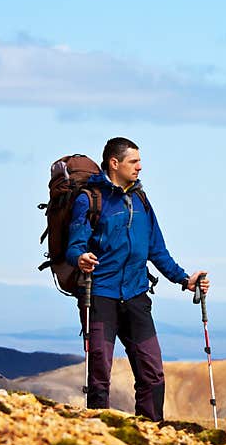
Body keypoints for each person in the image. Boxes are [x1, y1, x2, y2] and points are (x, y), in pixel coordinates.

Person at [66, 136, 210, 421]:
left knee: (153, 372)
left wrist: (184, 280)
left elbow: (156, 250)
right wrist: (80, 258)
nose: (140, 167)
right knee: (99, 373)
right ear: (114, 163)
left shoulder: (140, 200)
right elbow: (74, 246)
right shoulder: (90, 200)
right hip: (100, 295)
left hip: (136, 296)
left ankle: (151, 430)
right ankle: (99, 430)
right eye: (134, 161)